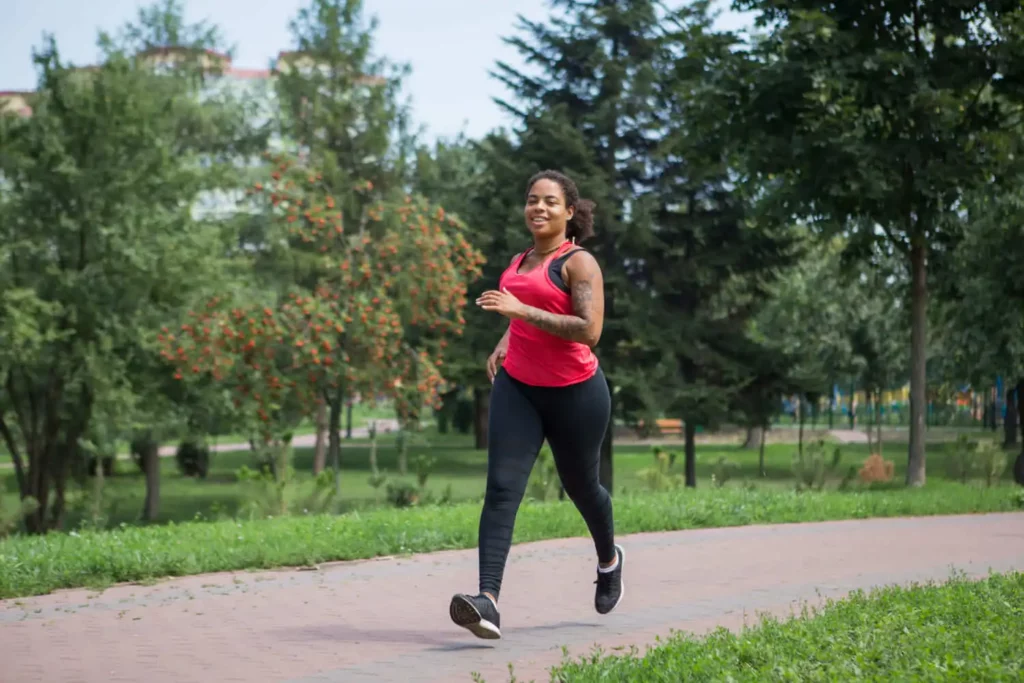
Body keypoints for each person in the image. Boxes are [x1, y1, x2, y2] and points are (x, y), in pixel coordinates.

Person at [448, 170, 623, 640]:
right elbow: (522, 306)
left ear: (570, 212)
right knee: (503, 489)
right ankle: (488, 601)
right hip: (519, 388)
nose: (538, 208)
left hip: (576, 394)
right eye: (531, 200)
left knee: (582, 488)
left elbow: (588, 329)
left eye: (549, 201)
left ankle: (609, 559)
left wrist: (519, 313)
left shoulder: (579, 264)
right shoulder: (520, 260)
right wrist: (507, 338)